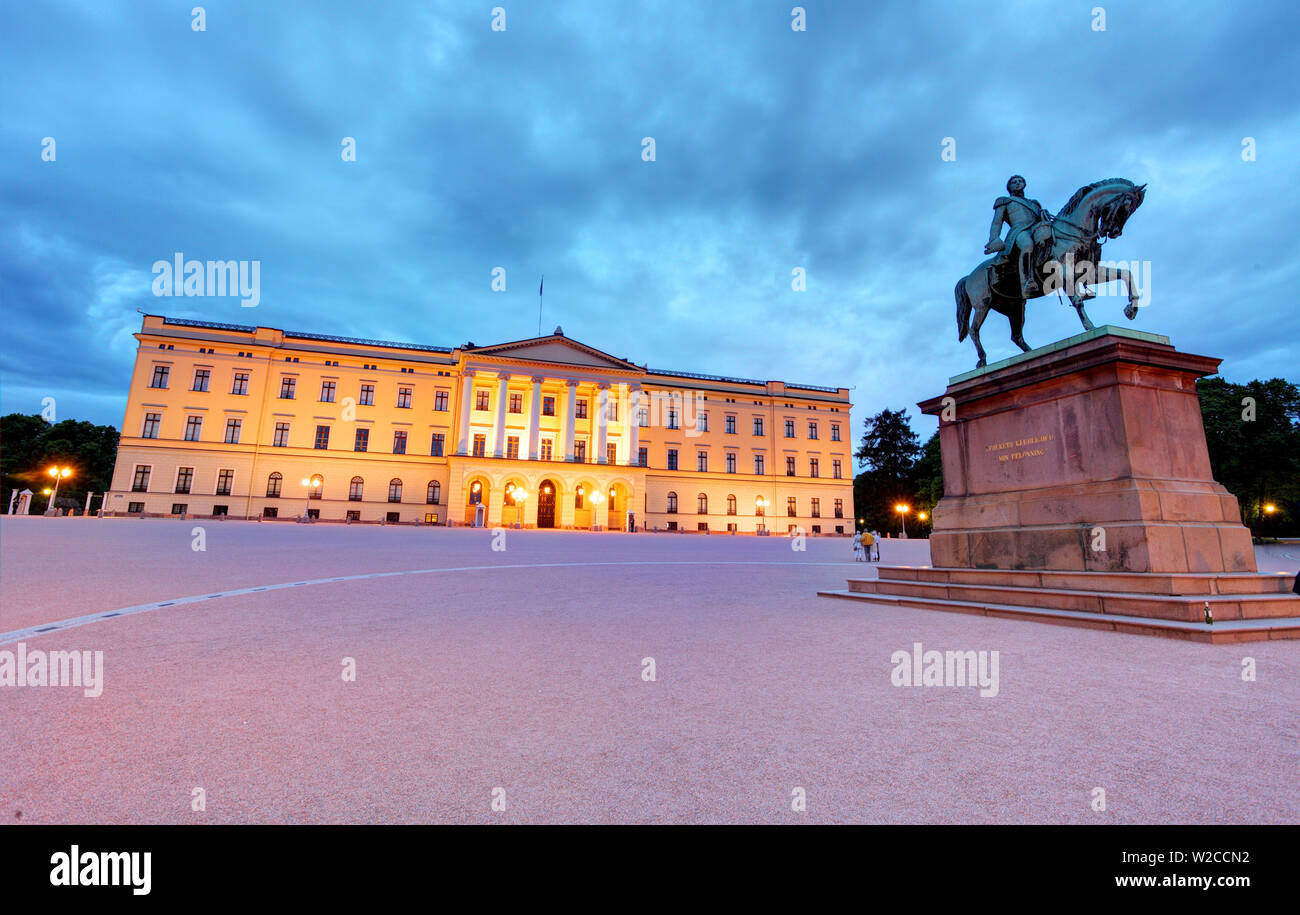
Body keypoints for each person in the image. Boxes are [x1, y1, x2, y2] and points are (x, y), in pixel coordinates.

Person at [985, 175, 1054, 297]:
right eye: (1014, 182)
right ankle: (1027, 281)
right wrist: (994, 239)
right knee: (1027, 245)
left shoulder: (1034, 203)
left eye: (1020, 181)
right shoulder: (1004, 201)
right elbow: (996, 222)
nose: (1017, 183)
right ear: (1009, 186)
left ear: (1024, 185)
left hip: (1036, 230)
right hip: (1020, 231)